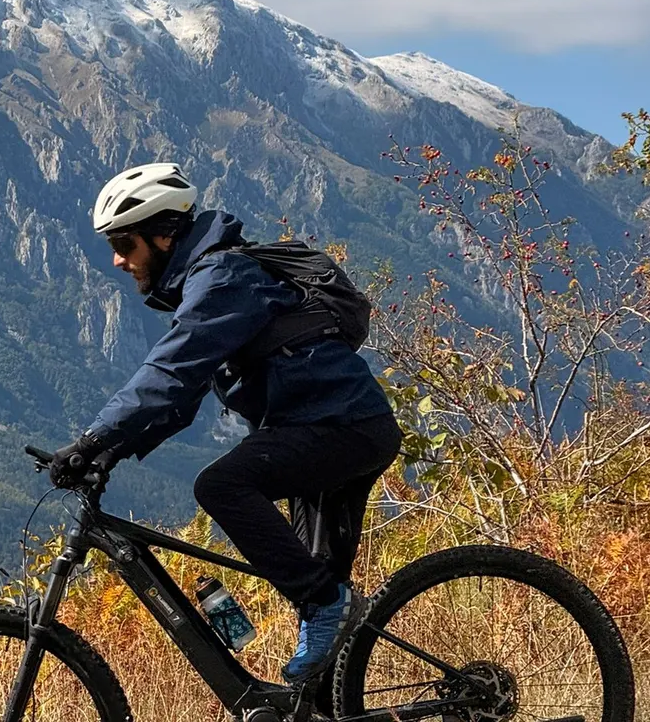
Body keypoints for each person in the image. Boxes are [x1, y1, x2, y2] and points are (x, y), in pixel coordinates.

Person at [50, 162, 402, 684]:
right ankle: (324, 690)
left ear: (165, 234)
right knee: (326, 621)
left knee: (223, 487)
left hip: (343, 429)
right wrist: (109, 452)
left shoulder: (223, 278)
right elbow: (180, 395)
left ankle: (326, 606)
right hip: (327, 428)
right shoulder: (209, 280)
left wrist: (94, 438)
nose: (118, 260)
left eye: (125, 243)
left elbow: (170, 370)